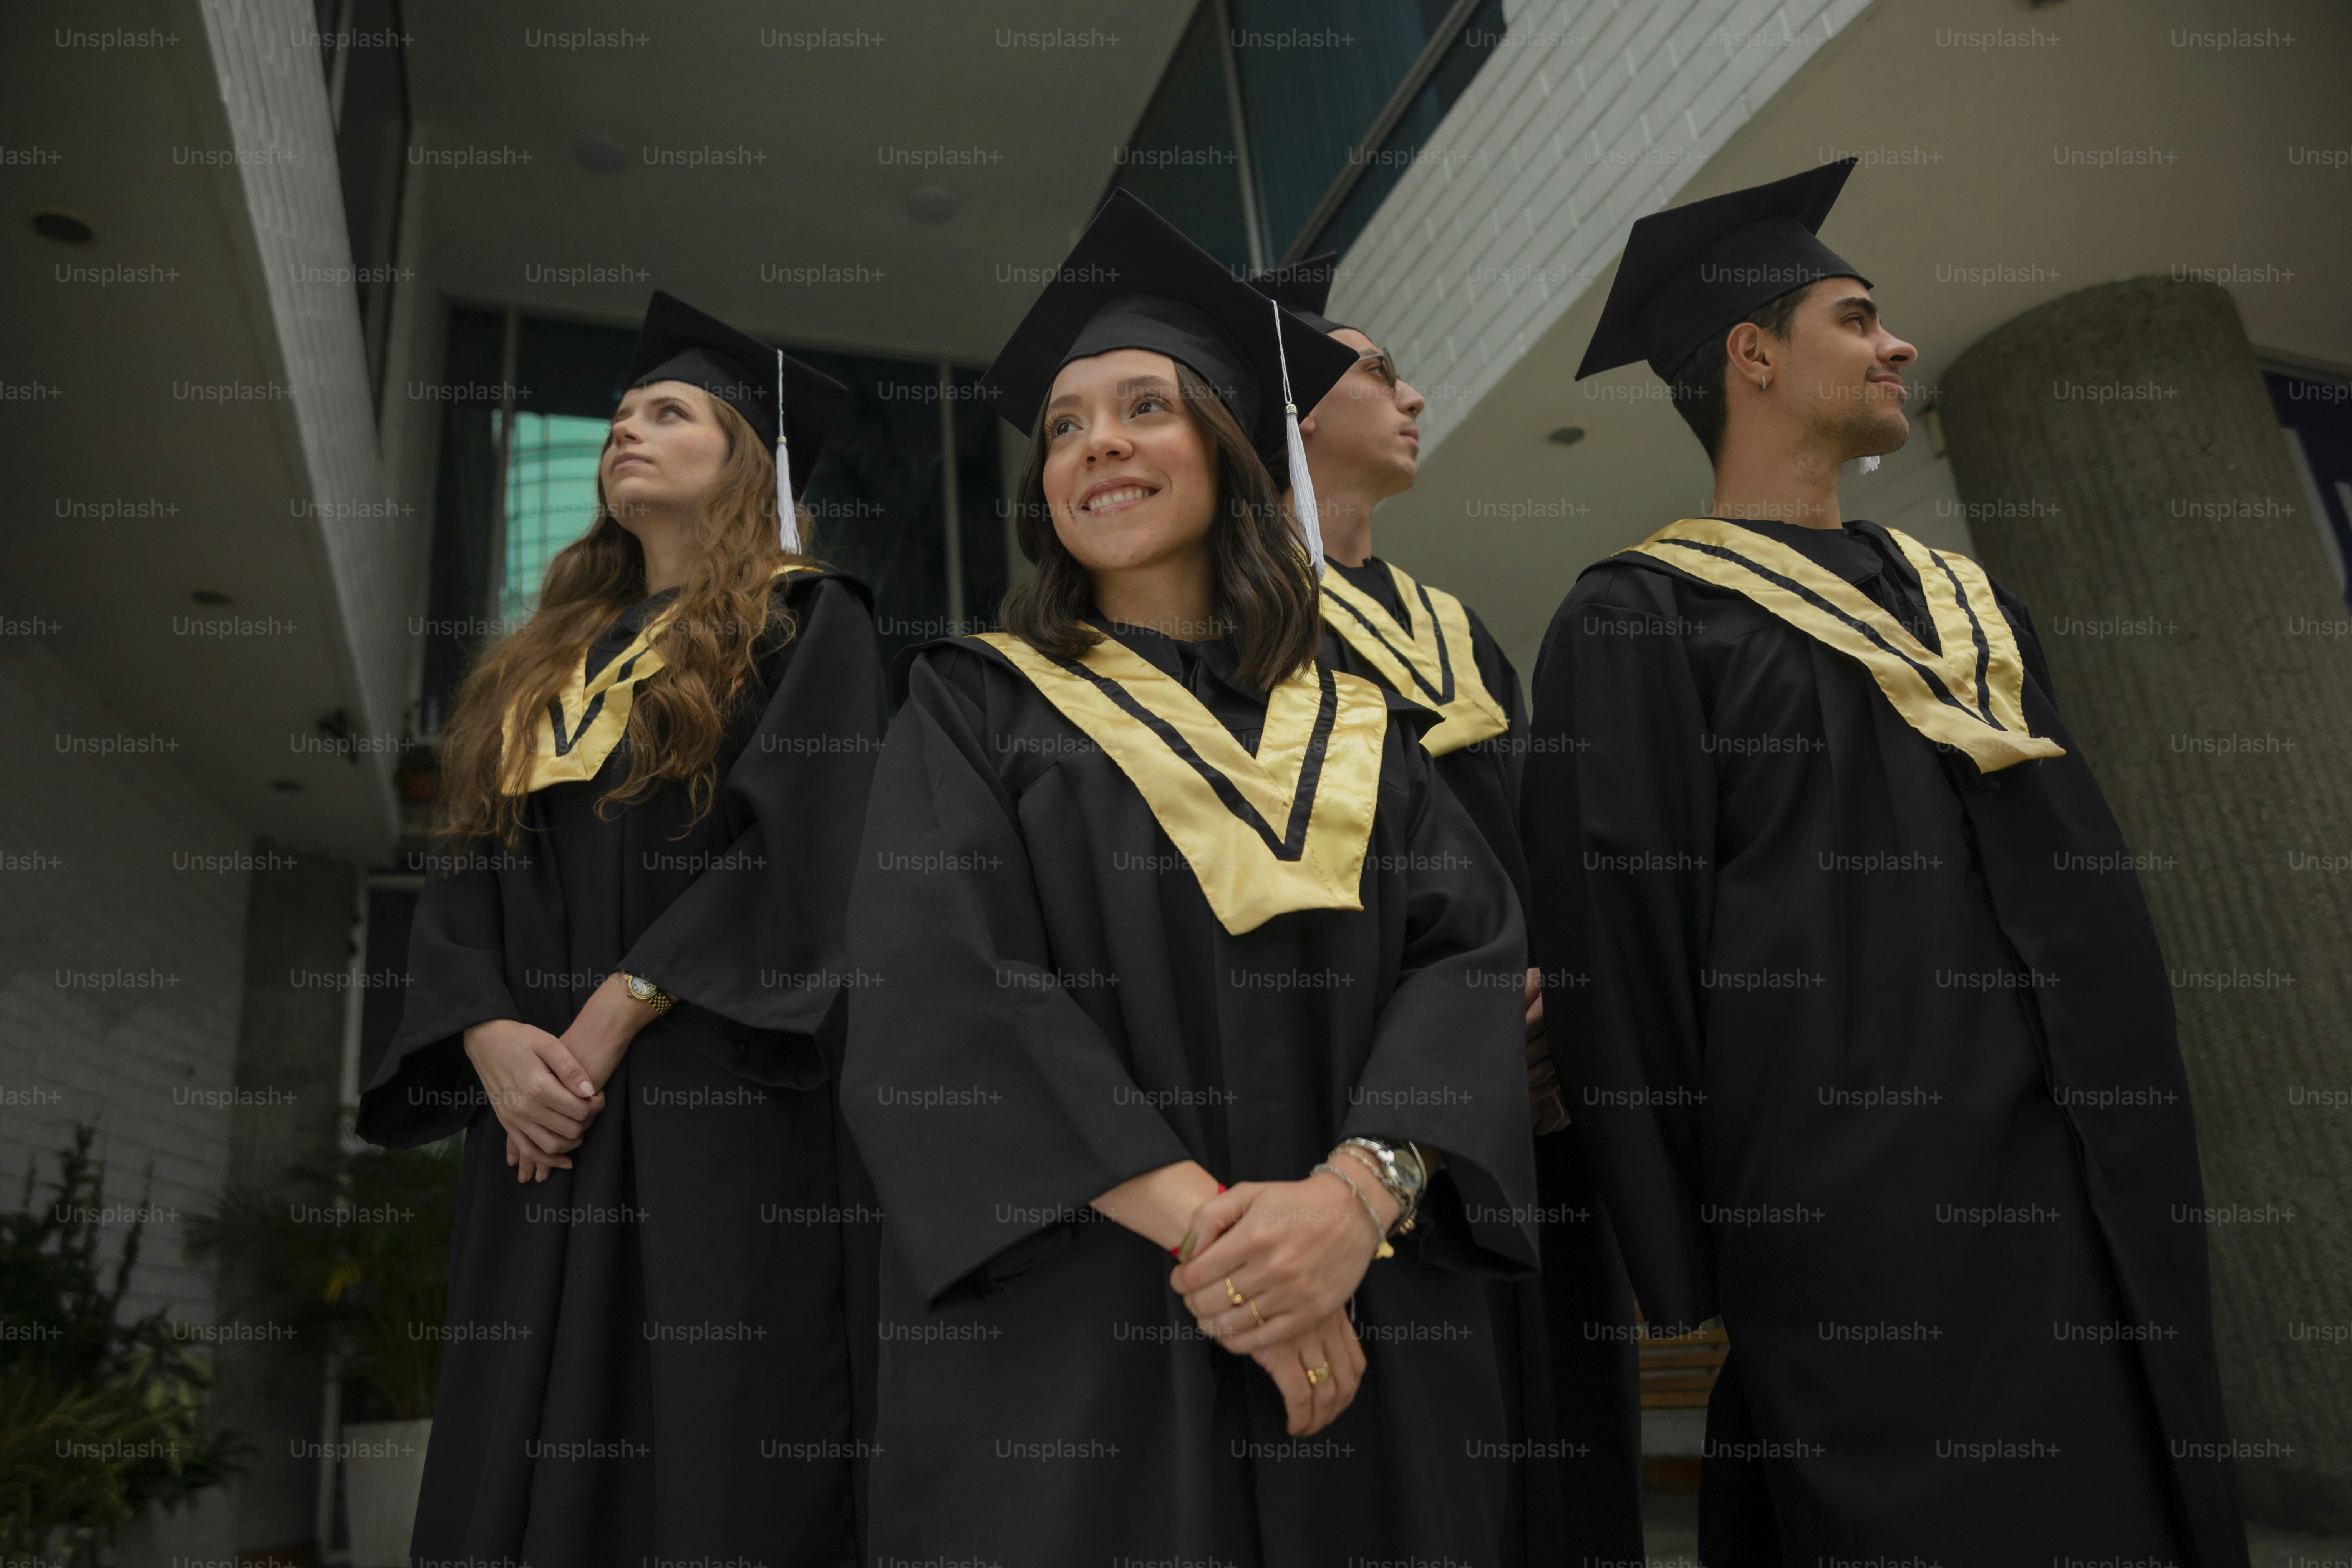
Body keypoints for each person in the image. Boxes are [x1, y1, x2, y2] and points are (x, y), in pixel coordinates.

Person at [1520, 159, 2247, 1567]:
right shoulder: (1637, 625)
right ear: (1751, 356)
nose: (1895, 343)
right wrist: (1701, 1253)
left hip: (2089, 1185)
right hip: (1858, 1218)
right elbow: (1627, 955)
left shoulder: (1969, 605)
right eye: (1855, 319)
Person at [842, 190, 1540, 1566]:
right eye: (1064, 424)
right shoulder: (972, 710)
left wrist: (1352, 1202)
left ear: (1225, 447)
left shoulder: (1359, 724)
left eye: (1144, 406)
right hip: (1084, 1320)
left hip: (1366, 1291)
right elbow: (944, 991)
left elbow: (1466, 966)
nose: (1097, 439)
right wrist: (1245, 1259)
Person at [358, 292, 887, 1568]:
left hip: (717, 1092)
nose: (625, 433)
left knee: (708, 1424)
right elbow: (466, 873)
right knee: (519, 1423)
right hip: (540, 1112)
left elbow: (813, 847)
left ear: (746, 462)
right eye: (618, 417)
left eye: (668, 412)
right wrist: (486, 1031)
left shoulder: (811, 624)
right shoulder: (540, 661)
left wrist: (617, 1008)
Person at [1250, 256, 1646, 1566]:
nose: (1412, 393)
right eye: (1376, 370)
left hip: (1529, 1092)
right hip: (1372, 1088)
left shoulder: (1452, 626)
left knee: (1565, 1422)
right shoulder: (1242, 622)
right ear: (1293, 409)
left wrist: (1552, 1013)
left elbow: (1532, 843)